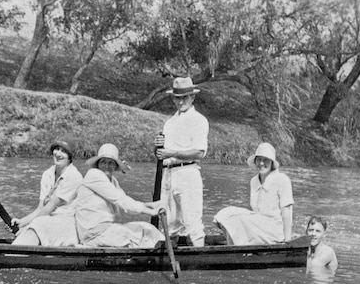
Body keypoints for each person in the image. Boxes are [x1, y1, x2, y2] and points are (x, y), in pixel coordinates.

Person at [154, 76, 209, 247]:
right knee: (169, 223)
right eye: (177, 98)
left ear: (192, 97)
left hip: (187, 173)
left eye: (184, 97)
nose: (181, 101)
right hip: (168, 174)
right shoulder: (169, 123)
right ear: (173, 98)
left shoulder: (198, 120)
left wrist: (173, 152)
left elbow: (199, 153)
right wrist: (157, 148)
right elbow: (161, 154)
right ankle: (171, 255)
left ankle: (200, 260)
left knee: (192, 220)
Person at [75, 143, 164, 248]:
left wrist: (151, 205)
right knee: (139, 237)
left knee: (147, 228)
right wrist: (152, 212)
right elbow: (121, 200)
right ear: (98, 164)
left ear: (115, 166)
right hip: (94, 234)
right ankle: (161, 254)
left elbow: (126, 203)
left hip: (107, 229)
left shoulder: (113, 181)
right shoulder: (94, 175)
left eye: (110, 163)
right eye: (103, 162)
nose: (106, 166)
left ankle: (167, 245)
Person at [214, 142, 294, 245]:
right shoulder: (254, 181)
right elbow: (256, 210)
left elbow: (286, 211)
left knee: (237, 218)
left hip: (275, 230)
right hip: (258, 227)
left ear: (272, 162)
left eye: (265, 160)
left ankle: (238, 250)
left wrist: (287, 240)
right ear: (255, 161)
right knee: (227, 213)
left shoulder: (282, 179)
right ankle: (235, 250)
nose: (261, 163)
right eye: (259, 159)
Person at [11, 141, 83, 246]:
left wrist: (27, 227)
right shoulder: (47, 174)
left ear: (70, 157)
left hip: (66, 224)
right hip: (46, 220)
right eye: (57, 149)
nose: (58, 154)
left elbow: (50, 206)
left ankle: (12, 256)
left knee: (38, 225)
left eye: (63, 151)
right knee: (38, 224)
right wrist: (21, 222)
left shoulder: (74, 177)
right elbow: (41, 209)